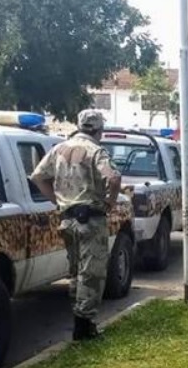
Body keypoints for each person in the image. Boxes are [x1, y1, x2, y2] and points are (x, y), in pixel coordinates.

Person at [30, 109, 122, 341]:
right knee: (92, 272)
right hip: (91, 219)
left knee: (76, 270)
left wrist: (58, 201)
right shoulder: (95, 150)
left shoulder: (59, 149)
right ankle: (84, 325)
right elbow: (113, 177)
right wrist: (109, 203)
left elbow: (38, 177)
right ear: (99, 129)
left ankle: (79, 318)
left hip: (68, 219)